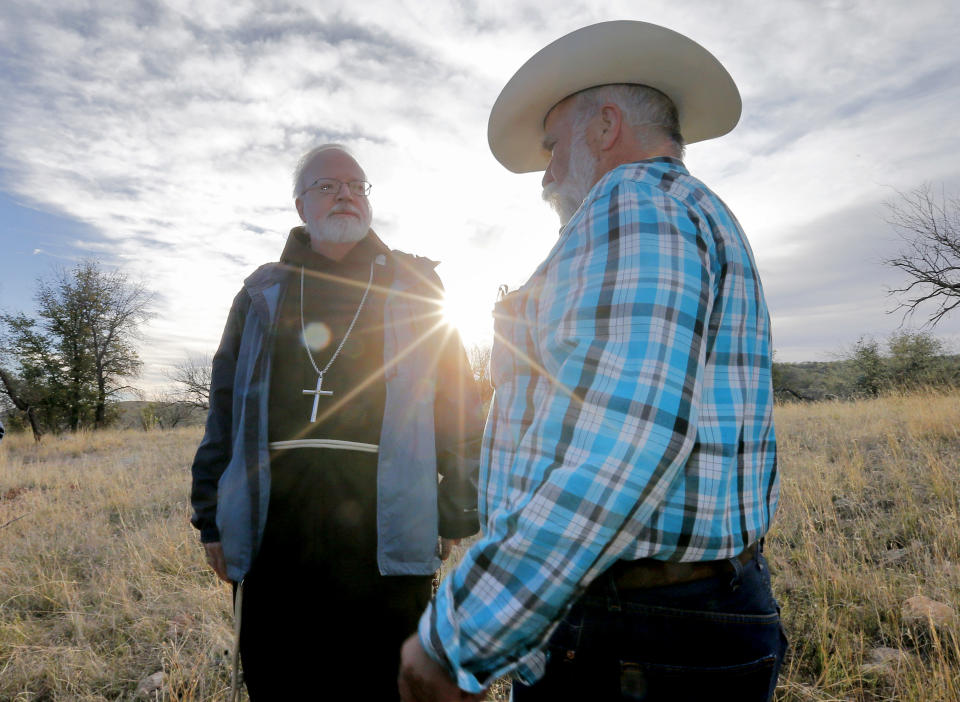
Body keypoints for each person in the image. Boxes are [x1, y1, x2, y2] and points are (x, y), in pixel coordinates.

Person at [399, 20, 786, 702]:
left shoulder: (632, 201)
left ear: (606, 126)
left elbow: (622, 442)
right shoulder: (698, 211)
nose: (546, 173)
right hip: (689, 617)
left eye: (551, 147)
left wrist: (456, 638)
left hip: (634, 634)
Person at [190, 144, 482, 700]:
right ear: (301, 206)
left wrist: (457, 504)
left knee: (383, 685)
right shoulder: (262, 293)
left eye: (357, 185)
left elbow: (458, 398)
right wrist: (209, 517)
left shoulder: (416, 286)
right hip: (278, 527)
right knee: (283, 679)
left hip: (386, 529)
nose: (347, 194)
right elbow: (224, 409)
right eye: (329, 186)